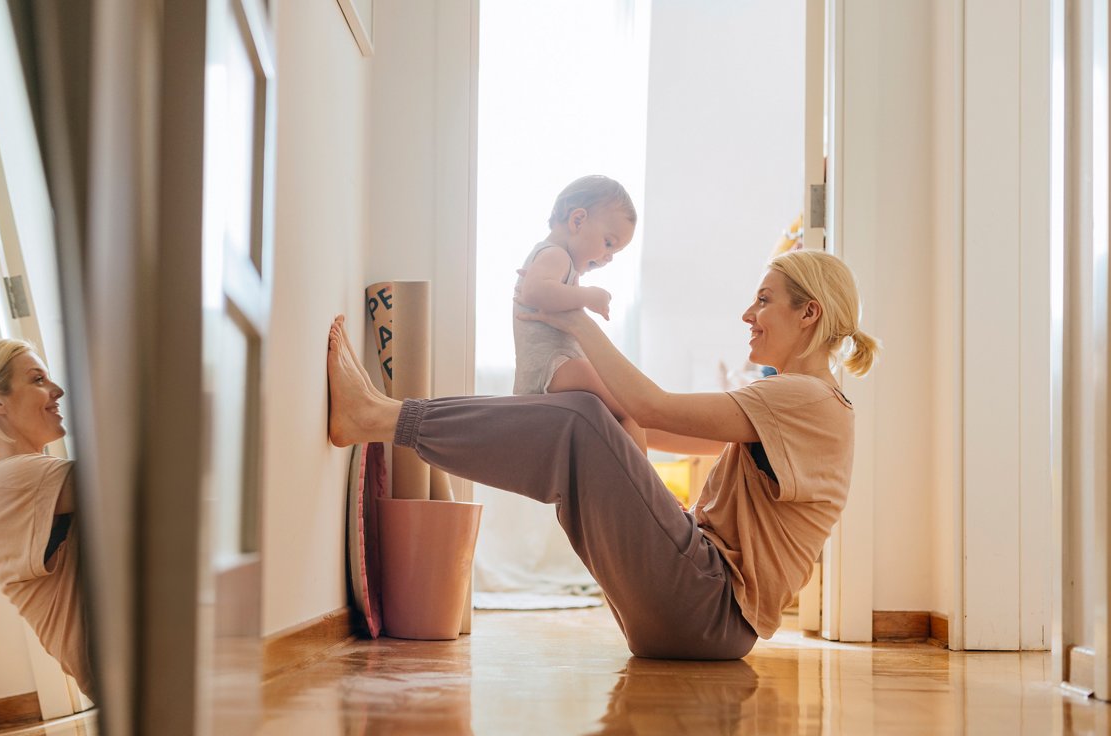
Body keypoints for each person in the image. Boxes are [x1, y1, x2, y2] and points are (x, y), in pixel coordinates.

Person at [329, 249, 878, 660]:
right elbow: (651, 421)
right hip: (704, 618)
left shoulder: (803, 398)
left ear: (809, 313)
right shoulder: (805, 404)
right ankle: (388, 417)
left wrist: (572, 320)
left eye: (763, 300)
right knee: (594, 417)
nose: (747, 314)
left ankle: (379, 419)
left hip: (706, 608)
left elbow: (652, 405)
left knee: (582, 420)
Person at [0, 339, 94, 698]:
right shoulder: (10, 478)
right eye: (38, 379)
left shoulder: (16, 477)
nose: (56, 390)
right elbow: (128, 481)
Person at [512, 174, 646, 451]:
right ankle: (646, 489)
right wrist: (588, 296)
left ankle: (640, 484)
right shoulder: (555, 255)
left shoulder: (557, 259)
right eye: (609, 243)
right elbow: (534, 292)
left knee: (621, 416)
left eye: (616, 252)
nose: (609, 257)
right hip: (554, 366)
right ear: (577, 220)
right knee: (630, 409)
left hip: (553, 368)